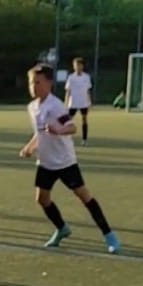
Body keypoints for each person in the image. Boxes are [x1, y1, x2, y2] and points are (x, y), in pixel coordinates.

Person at [20, 64, 119, 254]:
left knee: (83, 195)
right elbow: (39, 134)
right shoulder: (32, 107)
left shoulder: (56, 106)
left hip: (65, 161)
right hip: (46, 162)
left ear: (49, 83)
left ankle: (109, 235)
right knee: (42, 199)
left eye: (37, 82)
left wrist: (59, 130)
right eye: (31, 83)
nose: (33, 86)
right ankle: (62, 228)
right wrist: (29, 147)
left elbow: (72, 127)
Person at [64, 57, 92, 145]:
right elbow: (68, 91)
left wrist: (89, 101)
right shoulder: (71, 77)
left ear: (82, 66)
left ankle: (84, 140)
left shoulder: (86, 77)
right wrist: (66, 102)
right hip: (73, 102)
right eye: (75, 65)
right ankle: (66, 138)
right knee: (68, 120)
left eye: (79, 65)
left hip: (83, 102)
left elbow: (87, 90)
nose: (77, 67)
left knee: (84, 119)